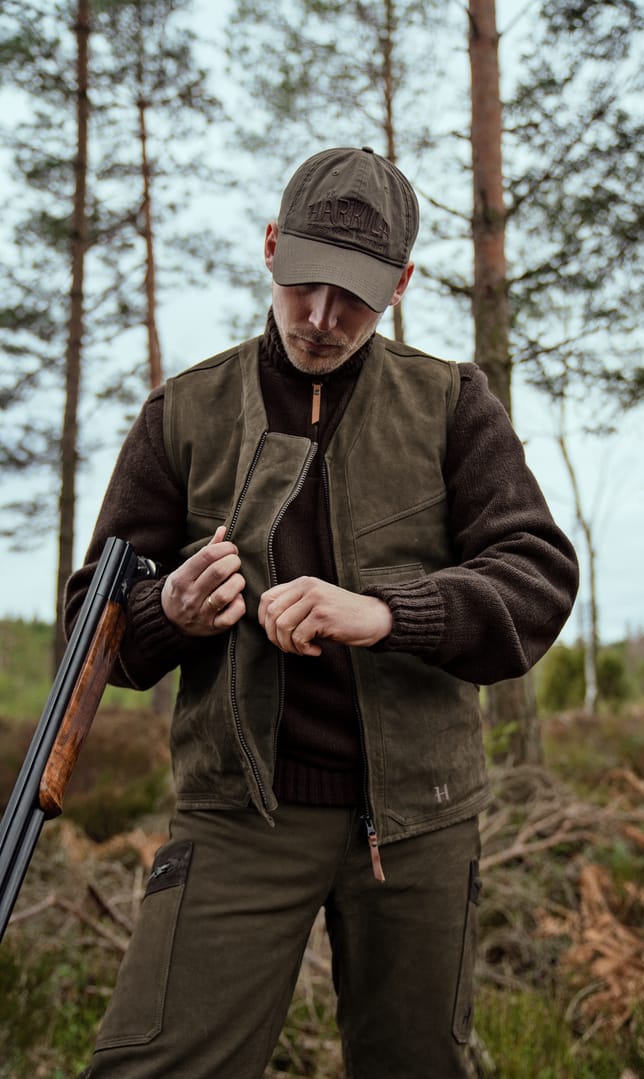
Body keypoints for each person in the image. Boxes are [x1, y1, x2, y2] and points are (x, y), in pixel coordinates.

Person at [67, 146, 579, 1078]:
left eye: (355, 296)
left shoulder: (451, 403)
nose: (321, 316)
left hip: (418, 818)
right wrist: (167, 609)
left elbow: (538, 576)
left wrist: (387, 612)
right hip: (236, 815)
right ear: (271, 247)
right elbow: (88, 632)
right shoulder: (182, 413)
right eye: (306, 283)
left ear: (401, 284)